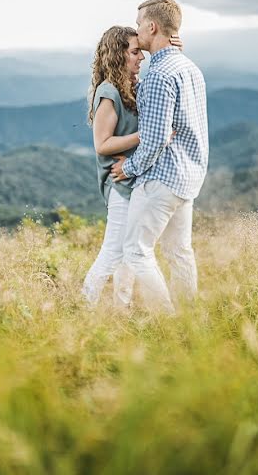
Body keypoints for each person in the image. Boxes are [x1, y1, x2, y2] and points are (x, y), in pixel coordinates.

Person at [110, 0, 208, 313]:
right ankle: (189, 321)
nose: (136, 32)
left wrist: (130, 168)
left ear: (151, 26)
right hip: (189, 176)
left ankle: (167, 322)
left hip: (161, 179)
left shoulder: (158, 75)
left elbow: (154, 139)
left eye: (138, 24)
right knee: (179, 251)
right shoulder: (189, 68)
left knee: (136, 251)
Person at [81, 26, 183, 307]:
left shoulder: (133, 86)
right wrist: (147, 135)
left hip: (134, 180)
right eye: (135, 52)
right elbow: (102, 144)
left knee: (127, 255)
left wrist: (173, 49)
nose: (141, 58)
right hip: (119, 183)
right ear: (118, 55)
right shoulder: (108, 92)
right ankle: (84, 305)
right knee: (113, 252)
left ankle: (121, 309)